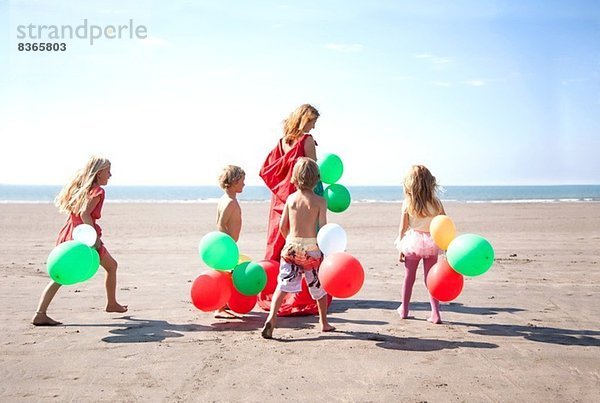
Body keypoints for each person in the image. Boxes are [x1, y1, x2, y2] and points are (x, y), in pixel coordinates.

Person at [32, 156, 127, 326]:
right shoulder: (98, 191)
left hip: (71, 233)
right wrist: (95, 239)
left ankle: (40, 313)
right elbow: (84, 214)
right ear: (99, 174)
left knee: (60, 276)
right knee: (112, 266)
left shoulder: (81, 189)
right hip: (84, 237)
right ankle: (111, 304)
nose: (110, 175)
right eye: (108, 171)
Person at [258, 103, 325, 316]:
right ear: (305, 119)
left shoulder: (282, 141)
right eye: (313, 122)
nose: (314, 127)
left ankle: (272, 290)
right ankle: (303, 295)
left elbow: (274, 171)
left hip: (281, 200)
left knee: (279, 245)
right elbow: (313, 172)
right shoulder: (306, 141)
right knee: (309, 244)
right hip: (303, 198)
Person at [261, 158, 334, 339]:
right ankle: (324, 322)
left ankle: (272, 317)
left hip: (291, 247)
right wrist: (323, 249)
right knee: (319, 286)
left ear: (294, 177)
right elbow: (323, 228)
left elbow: (282, 226)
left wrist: (290, 242)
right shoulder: (319, 201)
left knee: (283, 284)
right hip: (311, 248)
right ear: (316, 178)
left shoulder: (291, 199)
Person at [395, 165, 446, 324]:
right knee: (431, 278)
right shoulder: (436, 202)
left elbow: (403, 228)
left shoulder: (408, 203)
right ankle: (435, 313)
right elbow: (444, 222)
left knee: (409, 277)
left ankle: (404, 309)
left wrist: (400, 247)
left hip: (412, 242)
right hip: (432, 242)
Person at [215, 165, 245, 318]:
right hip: (227, 245)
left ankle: (223, 305)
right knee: (226, 276)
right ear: (233, 182)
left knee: (227, 274)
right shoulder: (230, 202)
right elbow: (221, 223)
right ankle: (219, 309)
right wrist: (229, 246)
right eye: (242, 181)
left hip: (227, 244)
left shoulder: (226, 199)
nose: (244, 184)